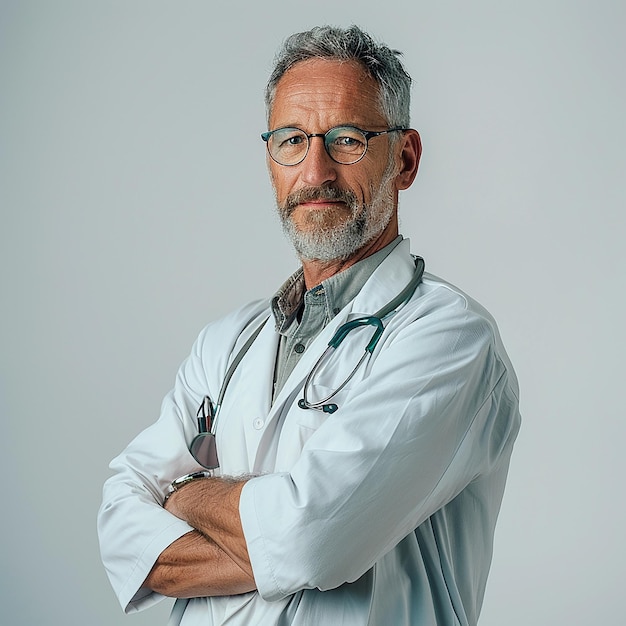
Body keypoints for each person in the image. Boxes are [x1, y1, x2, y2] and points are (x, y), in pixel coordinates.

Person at [98, 25, 521, 626]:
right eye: (292, 140)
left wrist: (184, 493)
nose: (315, 169)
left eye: (346, 139)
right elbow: (120, 522)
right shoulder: (226, 344)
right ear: (271, 159)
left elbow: (309, 541)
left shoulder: (450, 340)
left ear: (405, 158)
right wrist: (278, 534)